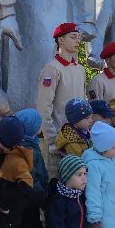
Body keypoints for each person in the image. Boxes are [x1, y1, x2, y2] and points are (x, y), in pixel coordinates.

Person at [37, 23, 88, 156]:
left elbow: (82, 103)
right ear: (61, 40)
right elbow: (44, 106)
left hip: (78, 137)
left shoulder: (80, 69)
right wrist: (51, 140)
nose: (77, 41)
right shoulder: (52, 69)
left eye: (78, 37)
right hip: (59, 140)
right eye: (73, 37)